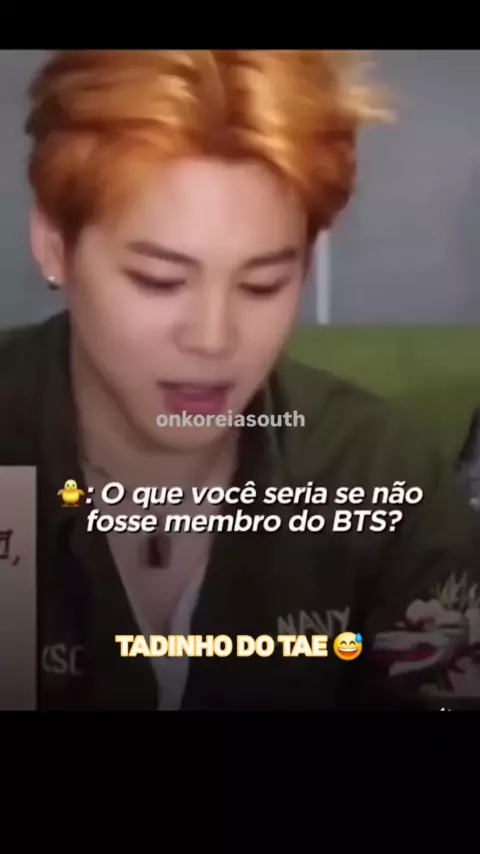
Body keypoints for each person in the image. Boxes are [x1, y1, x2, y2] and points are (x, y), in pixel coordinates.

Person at [0, 49, 478, 710]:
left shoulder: (380, 476)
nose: (213, 339)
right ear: (54, 243)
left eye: (262, 283)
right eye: (159, 280)